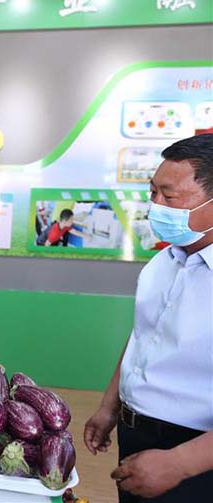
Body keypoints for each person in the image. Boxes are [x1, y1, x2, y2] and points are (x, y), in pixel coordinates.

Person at [84, 134, 213, 502]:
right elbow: (145, 335)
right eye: (152, 192)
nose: (155, 204)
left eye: (169, 196)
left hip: (194, 453)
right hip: (138, 433)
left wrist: (182, 463)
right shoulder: (165, 261)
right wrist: (111, 406)